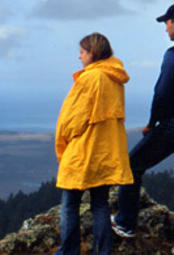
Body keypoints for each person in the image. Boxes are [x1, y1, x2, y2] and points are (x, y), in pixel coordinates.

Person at [55, 32, 134, 254]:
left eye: (82, 52)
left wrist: (63, 143)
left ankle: (68, 251)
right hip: (106, 152)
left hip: (83, 152)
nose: (79, 57)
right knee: (100, 204)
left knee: (70, 204)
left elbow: (71, 120)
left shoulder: (90, 78)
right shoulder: (115, 78)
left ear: (93, 53)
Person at [112, 4, 174, 239]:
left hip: (170, 126)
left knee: (131, 166)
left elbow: (163, 93)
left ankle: (125, 224)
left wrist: (152, 123)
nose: (166, 28)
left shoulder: (172, 56)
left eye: (168, 22)